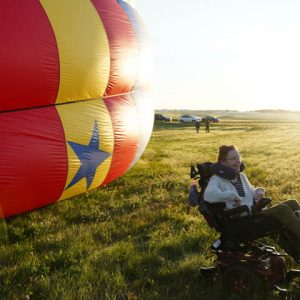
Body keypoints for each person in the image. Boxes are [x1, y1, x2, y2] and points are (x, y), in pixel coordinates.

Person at [204, 144, 300, 259]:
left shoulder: (242, 176)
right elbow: (208, 195)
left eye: (239, 158)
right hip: (242, 221)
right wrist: (229, 195)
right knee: (283, 210)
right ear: (223, 162)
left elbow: (250, 191)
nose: (238, 161)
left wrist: (257, 192)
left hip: (252, 214)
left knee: (292, 203)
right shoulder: (217, 179)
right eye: (233, 159)